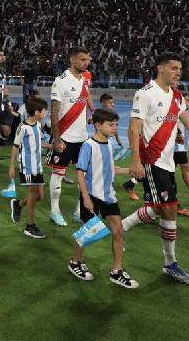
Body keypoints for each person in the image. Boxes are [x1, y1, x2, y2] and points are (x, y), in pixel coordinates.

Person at [127, 52, 189, 285]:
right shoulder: (145, 94)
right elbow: (133, 129)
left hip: (168, 162)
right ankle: (170, 263)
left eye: (179, 68)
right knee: (169, 209)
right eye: (173, 68)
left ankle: (121, 227)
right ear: (160, 68)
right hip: (152, 161)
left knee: (160, 209)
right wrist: (136, 161)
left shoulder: (177, 96)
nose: (178, 72)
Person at [68, 109, 139, 289]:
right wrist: (85, 198)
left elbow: (110, 167)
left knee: (119, 231)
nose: (115, 128)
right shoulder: (88, 146)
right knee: (86, 232)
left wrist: (129, 171)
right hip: (92, 195)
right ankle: (75, 262)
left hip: (109, 196)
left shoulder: (108, 144)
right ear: (98, 125)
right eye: (111, 124)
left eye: (116, 124)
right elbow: (80, 173)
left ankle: (117, 271)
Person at [46, 47, 96, 228]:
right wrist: (57, 138)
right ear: (72, 60)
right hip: (65, 137)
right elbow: (53, 111)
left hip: (82, 137)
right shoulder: (61, 81)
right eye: (83, 60)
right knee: (58, 174)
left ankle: (78, 211)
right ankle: (54, 211)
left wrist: (93, 114)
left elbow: (84, 103)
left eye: (88, 60)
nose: (86, 63)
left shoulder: (84, 81)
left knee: (83, 176)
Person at [8, 97, 51, 239]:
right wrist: (11, 167)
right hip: (27, 167)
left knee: (40, 196)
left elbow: (38, 142)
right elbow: (15, 147)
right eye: (45, 111)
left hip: (37, 166)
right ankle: (30, 226)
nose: (47, 113)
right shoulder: (23, 127)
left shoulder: (38, 125)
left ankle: (18, 204)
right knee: (33, 195)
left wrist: (51, 146)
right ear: (37, 112)